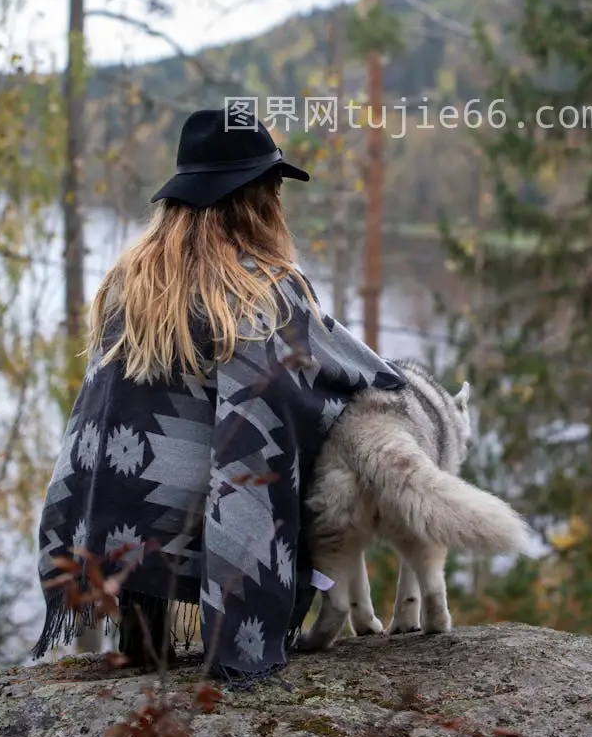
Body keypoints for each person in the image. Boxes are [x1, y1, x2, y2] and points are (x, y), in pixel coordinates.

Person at [30, 106, 407, 688]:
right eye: (274, 185)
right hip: (210, 522)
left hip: (123, 519)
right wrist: (396, 392)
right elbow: (349, 376)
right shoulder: (268, 288)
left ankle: (142, 640)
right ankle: (221, 635)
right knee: (290, 446)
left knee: (162, 453)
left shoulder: (129, 279)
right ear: (258, 196)